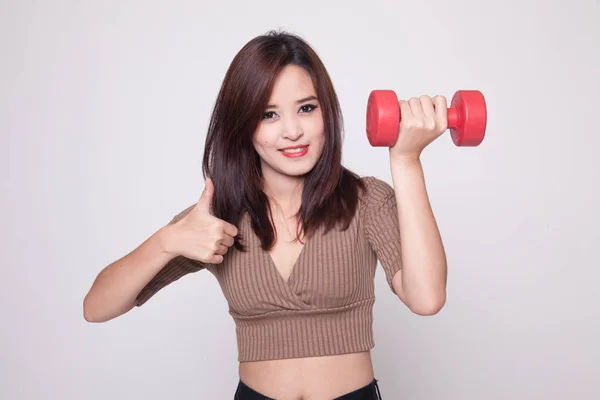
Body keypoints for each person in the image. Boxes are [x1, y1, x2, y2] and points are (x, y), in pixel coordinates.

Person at [83, 30, 448, 400]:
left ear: (327, 112)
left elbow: (426, 298)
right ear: (243, 126)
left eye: (307, 108)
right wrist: (167, 241)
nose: (293, 131)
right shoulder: (217, 217)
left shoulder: (365, 201)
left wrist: (406, 161)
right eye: (268, 114)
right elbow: (96, 307)